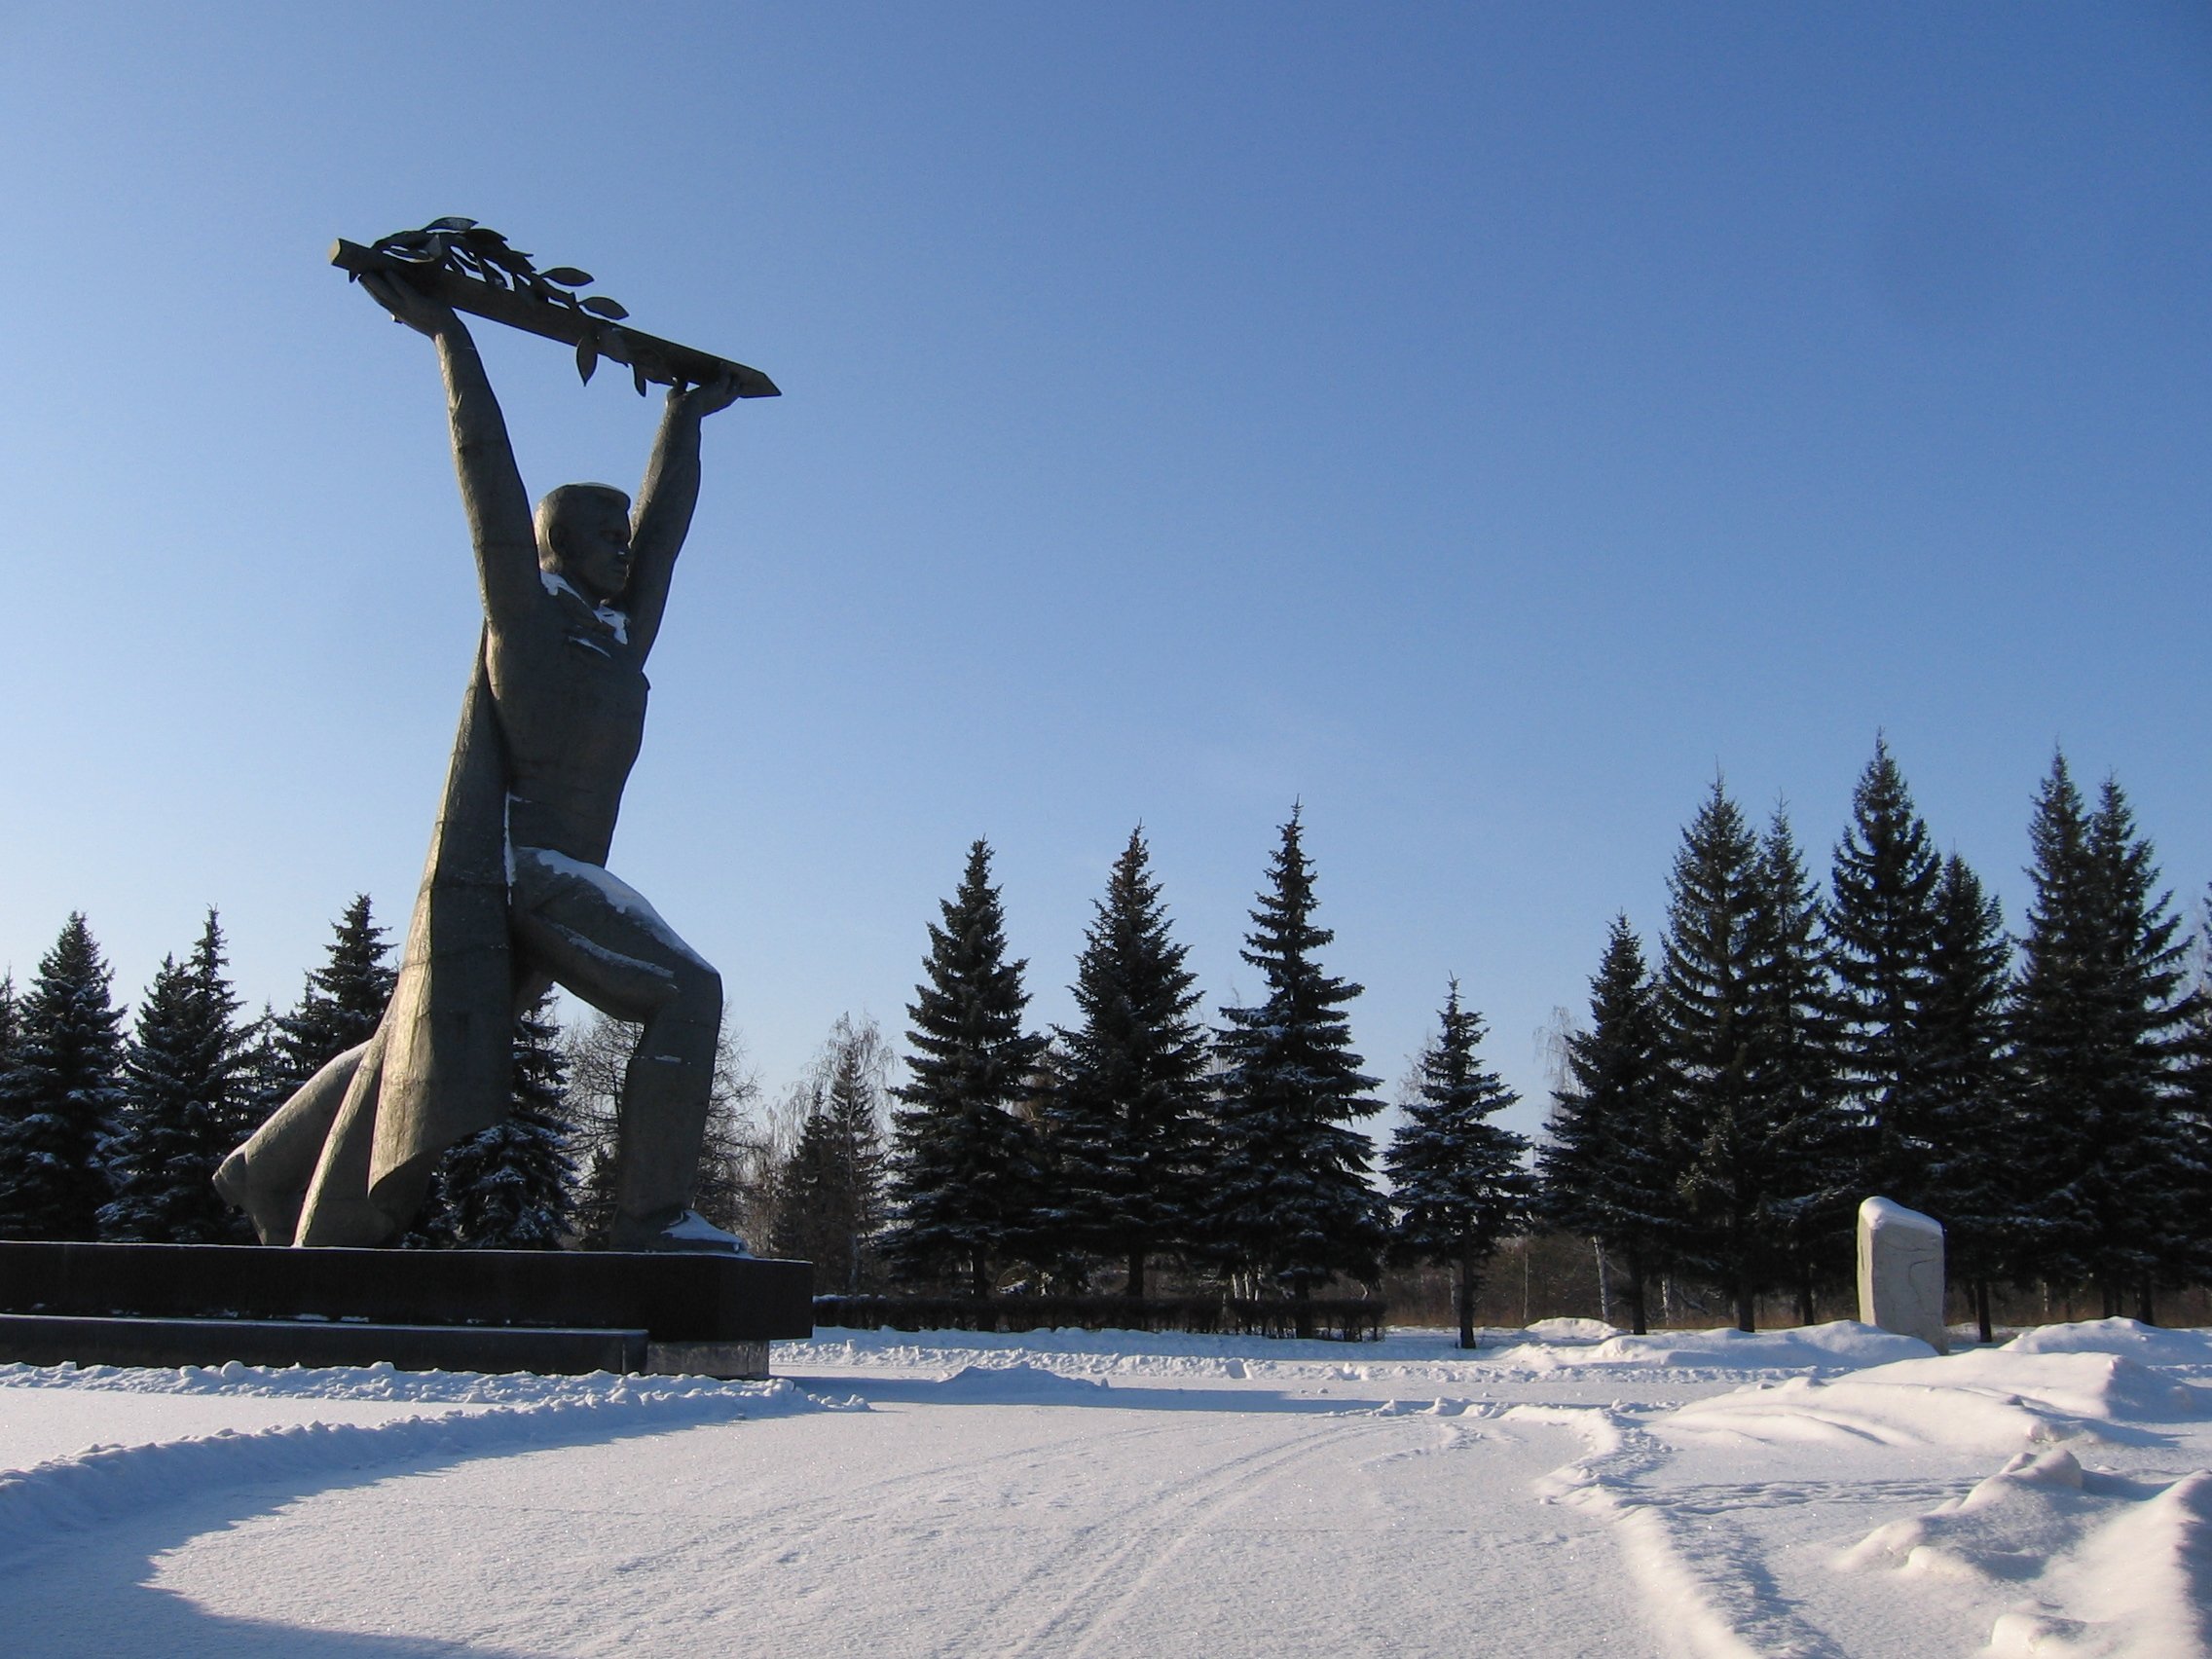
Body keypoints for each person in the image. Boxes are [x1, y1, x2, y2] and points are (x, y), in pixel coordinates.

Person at [215, 271, 744, 1250]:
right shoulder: (526, 625)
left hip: (568, 874)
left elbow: (666, 531)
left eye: (620, 535)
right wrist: (449, 340)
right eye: (601, 536)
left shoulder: (618, 639)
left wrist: (685, 419)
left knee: (408, 1036)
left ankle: (267, 1163)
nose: (622, 551)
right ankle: (651, 1220)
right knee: (688, 992)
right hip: (522, 870)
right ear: (553, 548)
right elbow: (488, 480)